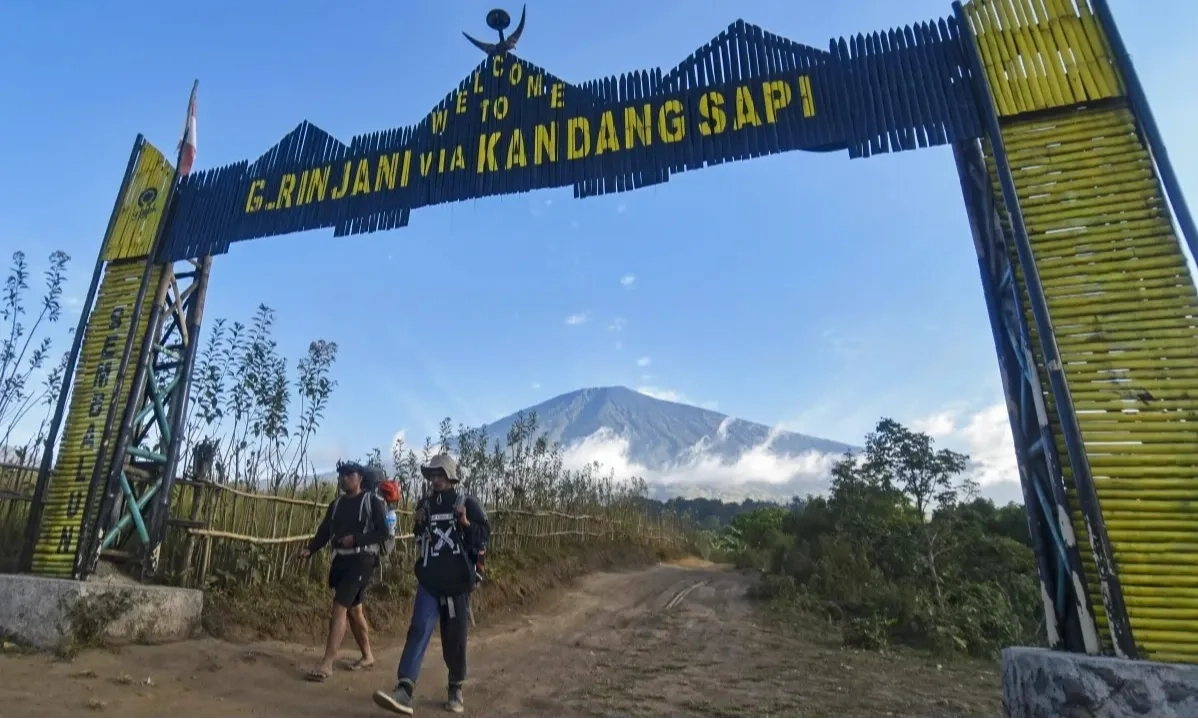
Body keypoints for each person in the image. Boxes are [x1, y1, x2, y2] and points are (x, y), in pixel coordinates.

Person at [373, 453, 490, 715]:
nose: (435, 478)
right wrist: (418, 523)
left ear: (450, 477)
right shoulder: (425, 503)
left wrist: (465, 522)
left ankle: (455, 686)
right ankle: (404, 690)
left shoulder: (467, 502)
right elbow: (421, 537)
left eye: (440, 474)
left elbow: (483, 537)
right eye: (432, 474)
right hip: (429, 579)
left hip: (457, 584)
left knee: (454, 640)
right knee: (418, 630)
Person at [299, 460, 389, 682]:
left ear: (360, 478)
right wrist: (310, 550)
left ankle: (326, 664)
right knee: (354, 611)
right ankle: (367, 655)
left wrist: (356, 539)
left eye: (349, 474)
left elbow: (383, 533)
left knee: (340, 606)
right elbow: (324, 532)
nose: (344, 478)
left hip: (362, 561)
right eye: (342, 474)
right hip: (341, 561)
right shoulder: (336, 505)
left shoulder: (372, 502)